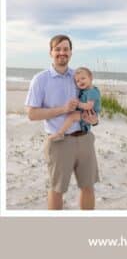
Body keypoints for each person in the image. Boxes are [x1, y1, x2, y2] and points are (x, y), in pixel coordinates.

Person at [25, 35, 99, 210]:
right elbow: (32, 114)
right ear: (51, 52)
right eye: (57, 49)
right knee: (57, 189)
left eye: (65, 49)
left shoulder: (79, 76)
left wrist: (94, 120)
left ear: (71, 53)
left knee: (88, 187)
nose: (62, 53)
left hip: (85, 139)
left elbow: (93, 104)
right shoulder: (40, 79)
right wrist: (63, 109)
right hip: (59, 142)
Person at [48, 67, 101, 142]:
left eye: (83, 78)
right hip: (85, 113)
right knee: (71, 115)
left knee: (72, 116)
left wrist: (78, 104)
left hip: (89, 113)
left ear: (91, 77)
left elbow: (89, 106)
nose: (80, 82)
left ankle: (60, 133)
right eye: (77, 81)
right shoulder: (86, 90)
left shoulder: (92, 91)